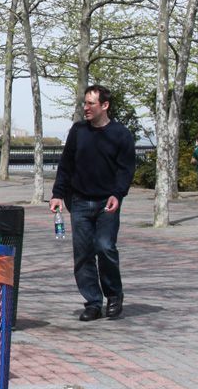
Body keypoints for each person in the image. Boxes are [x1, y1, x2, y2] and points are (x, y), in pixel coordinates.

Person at [50, 84, 136, 322]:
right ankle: (93, 303)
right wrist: (57, 194)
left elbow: (126, 169)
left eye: (90, 103)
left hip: (107, 203)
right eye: (84, 103)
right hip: (79, 202)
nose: (85, 108)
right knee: (83, 254)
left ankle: (114, 295)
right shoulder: (78, 131)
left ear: (104, 105)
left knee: (105, 246)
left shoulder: (121, 134)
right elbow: (66, 165)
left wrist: (118, 194)